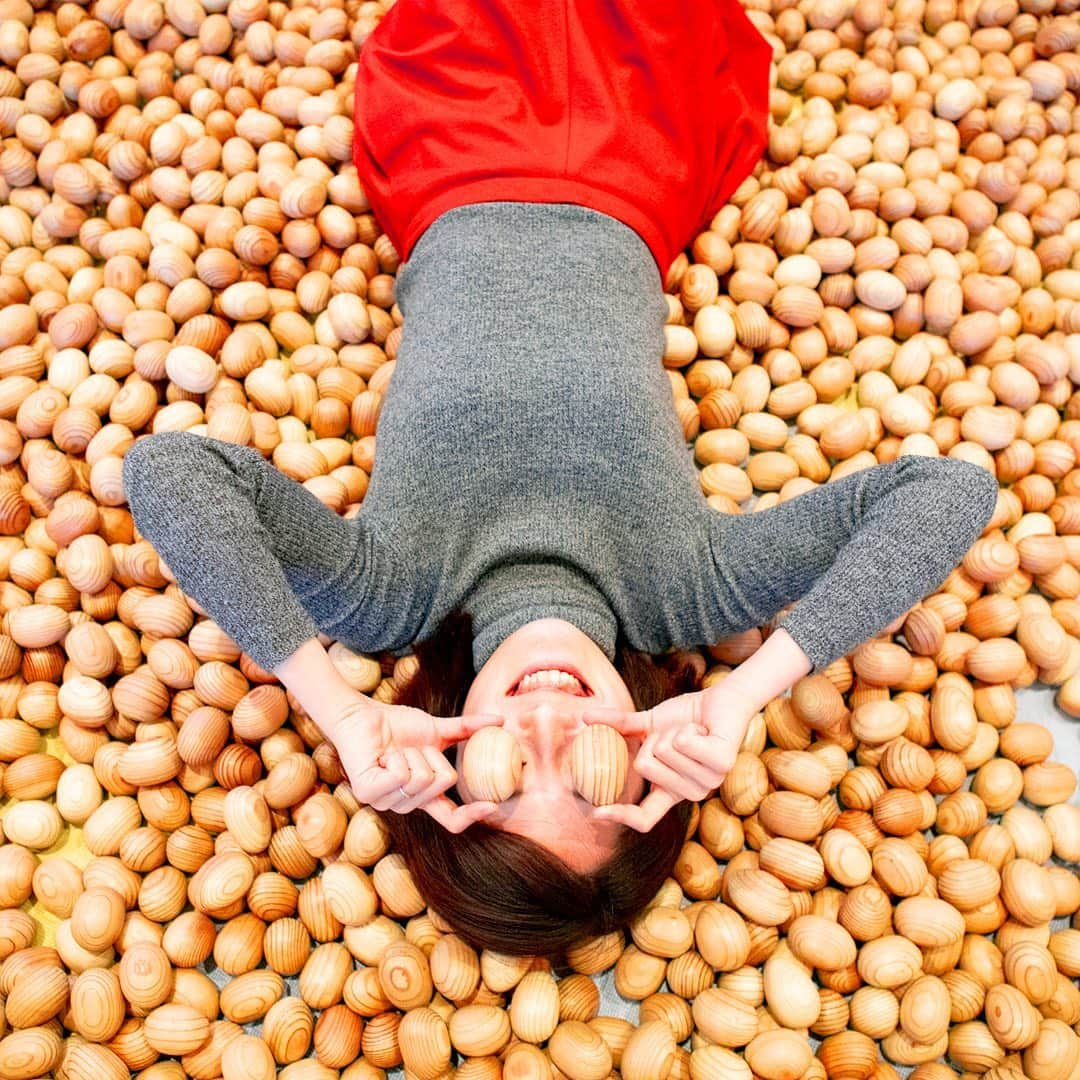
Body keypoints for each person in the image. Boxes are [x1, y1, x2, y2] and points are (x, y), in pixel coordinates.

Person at [121, 0, 1000, 954]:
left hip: (457, 141)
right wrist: (747, 697)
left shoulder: (386, 598)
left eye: (500, 772)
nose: (548, 719)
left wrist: (334, 708)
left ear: (442, 746)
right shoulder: (683, 592)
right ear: (660, 758)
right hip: (636, 146)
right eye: (592, 769)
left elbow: (172, 471)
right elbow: (947, 493)